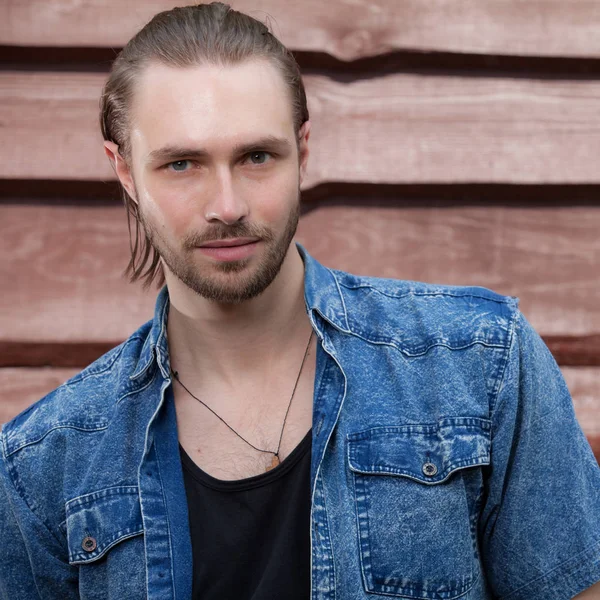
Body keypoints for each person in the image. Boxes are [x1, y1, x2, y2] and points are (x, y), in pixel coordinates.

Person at [1, 3, 599, 599]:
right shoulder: (43, 467)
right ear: (125, 170)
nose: (228, 204)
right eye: (182, 164)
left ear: (303, 150)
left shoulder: (481, 362)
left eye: (257, 157)